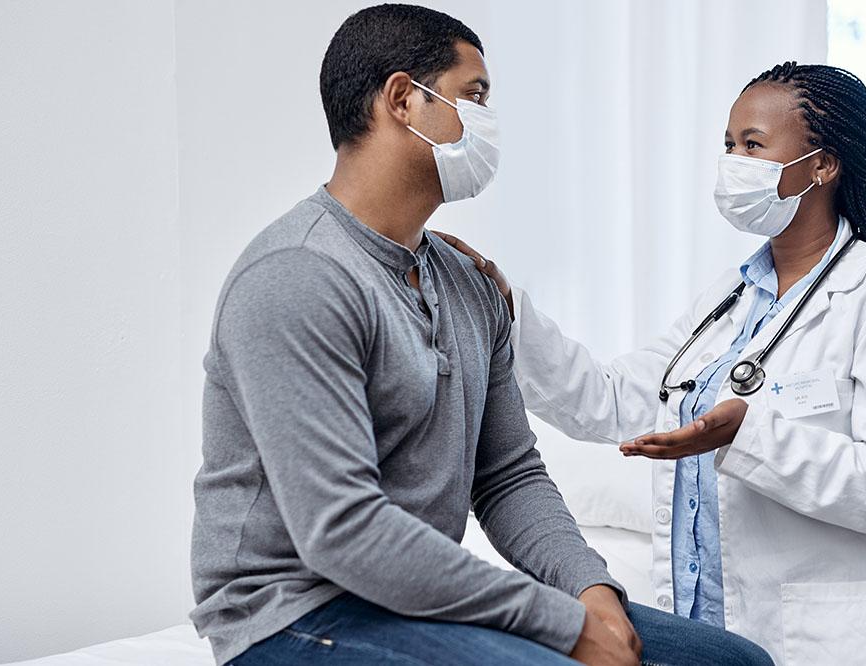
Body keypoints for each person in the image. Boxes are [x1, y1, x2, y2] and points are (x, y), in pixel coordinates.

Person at [188, 4, 772, 666]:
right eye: (476, 95)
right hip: (295, 612)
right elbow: (342, 532)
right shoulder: (298, 276)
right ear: (403, 100)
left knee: (731, 663)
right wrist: (559, 624)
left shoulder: (468, 283)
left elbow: (506, 474)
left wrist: (589, 588)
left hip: (407, 601)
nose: (488, 120)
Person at [441, 62, 866, 666]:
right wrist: (509, 311)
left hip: (829, 641)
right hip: (709, 632)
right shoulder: (727, 303)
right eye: (729, 145)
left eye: (754, 146)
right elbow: (611, 400)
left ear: (823, 165)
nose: (734, 161)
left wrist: (752, 435)